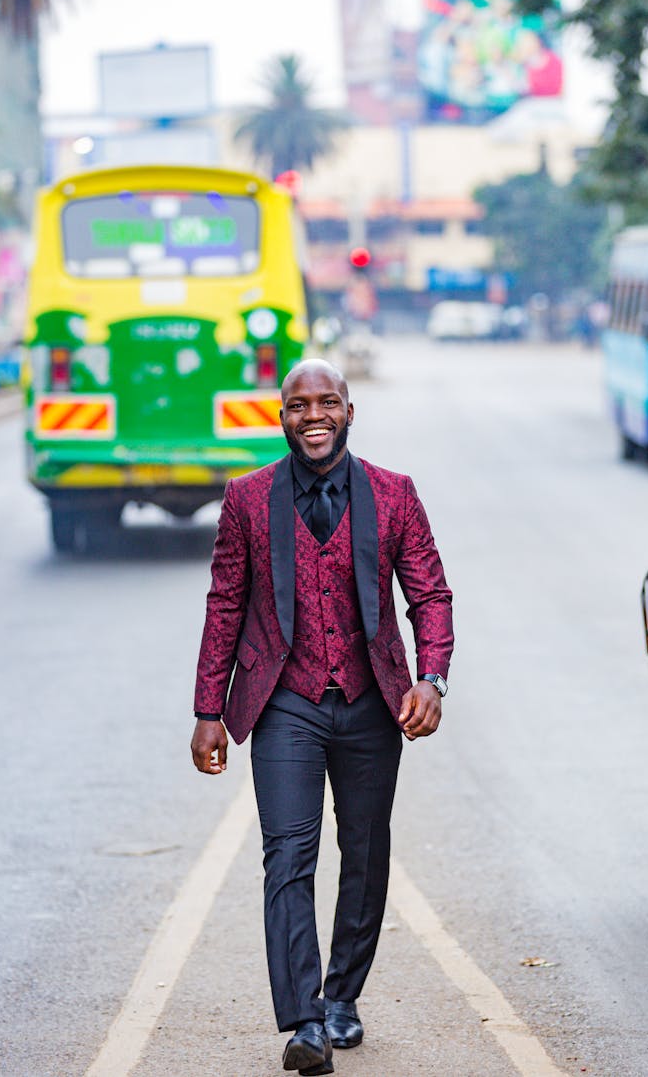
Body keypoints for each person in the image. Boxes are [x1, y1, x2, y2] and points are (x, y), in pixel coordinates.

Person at [191, 359, 454, 1075]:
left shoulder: (394, 494)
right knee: (288, 854)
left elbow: (430, 594)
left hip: (372, 701)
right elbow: (224, 604)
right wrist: (207, 708)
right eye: (298, 404)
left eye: (327, 402)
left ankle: (342, 996)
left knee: (365, 854)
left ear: (348, 410)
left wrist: (431, 678)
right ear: (281, 414)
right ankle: (304, 1019)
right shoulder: (247, 499)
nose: (314, 414)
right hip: (285, 703)